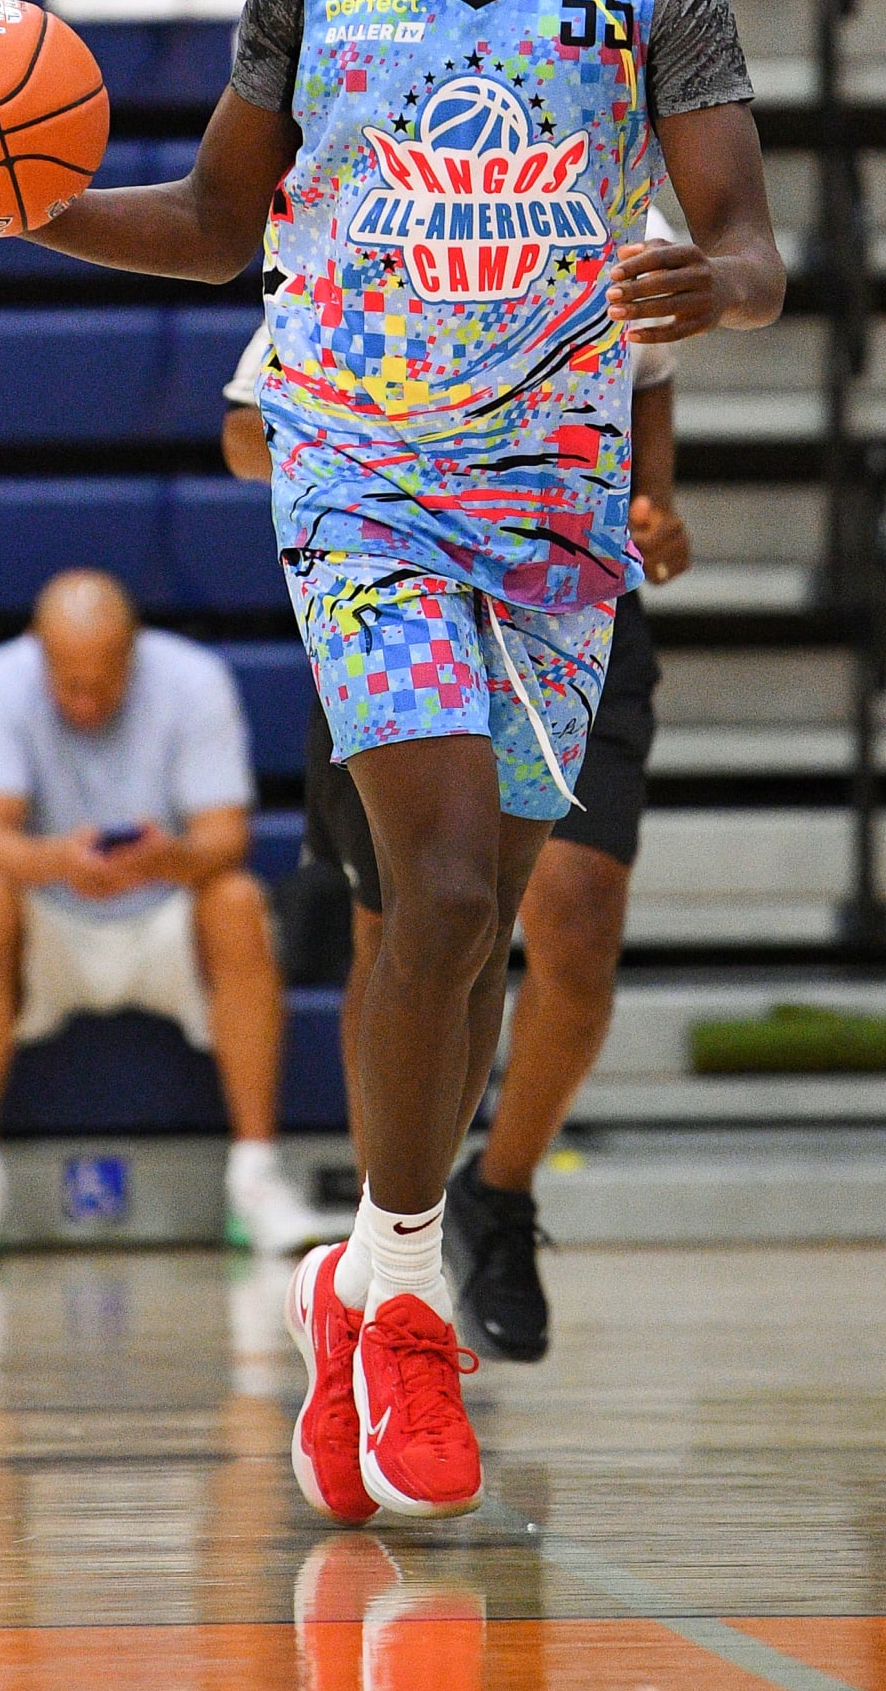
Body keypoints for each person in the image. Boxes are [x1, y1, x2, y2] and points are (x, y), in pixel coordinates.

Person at [0, 0, 785, 1522]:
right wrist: (24, 204)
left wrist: (714, 287)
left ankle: (355, 1282)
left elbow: (753, 246)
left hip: (553, 498)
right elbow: (222, 227)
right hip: (360, 470)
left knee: (477, 933)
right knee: (438, 888)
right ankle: (408, 1298)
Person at [221, 211, 694, 1364]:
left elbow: (652, 373)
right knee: (404, 930)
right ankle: (389, 1244)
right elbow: (242, 429)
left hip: (568, 591)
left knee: (575, 917)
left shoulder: (618, 205)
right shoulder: (373, 201)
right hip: (396, 588)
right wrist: (367, 457)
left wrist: (655, 500)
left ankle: (500, 1193)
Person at [0, 568, 321, 1261]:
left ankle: (256, 1177)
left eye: (101, 684)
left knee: (237, 900)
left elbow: (227, 837)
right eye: (68, 684)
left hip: (164, 915)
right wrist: (58, 861)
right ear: (38, 652)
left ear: (134, 652)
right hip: (49, 917)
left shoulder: (194, 678)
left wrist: (165, 858)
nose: (84, 701)